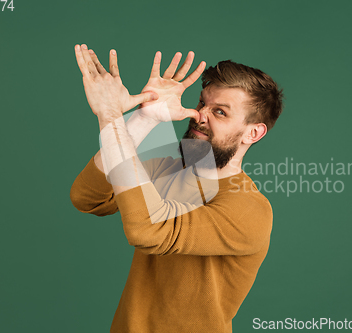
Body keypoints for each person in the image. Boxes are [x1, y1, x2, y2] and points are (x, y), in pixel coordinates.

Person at [70, 44, 283, 333]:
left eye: (219, 112)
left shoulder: (249, 209)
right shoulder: (170, 170)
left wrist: (110, 117)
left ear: (253, 132)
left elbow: (148, 231)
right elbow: (87, 198)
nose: (199, 116)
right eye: (201, 104)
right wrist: (145, 118)